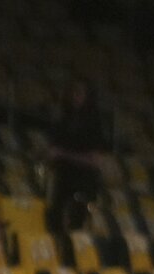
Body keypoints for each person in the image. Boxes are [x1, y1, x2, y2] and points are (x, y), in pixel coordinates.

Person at [45, 80, 108, 233]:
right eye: (73, 93)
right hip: (64, 175)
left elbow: (95, 160)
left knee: (77, 218)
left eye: (79, 94)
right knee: (54, 214)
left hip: (84, 179)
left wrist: (64, 155)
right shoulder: (64, 119)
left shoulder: (94, 123)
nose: (75, 97)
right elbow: (52, 151)